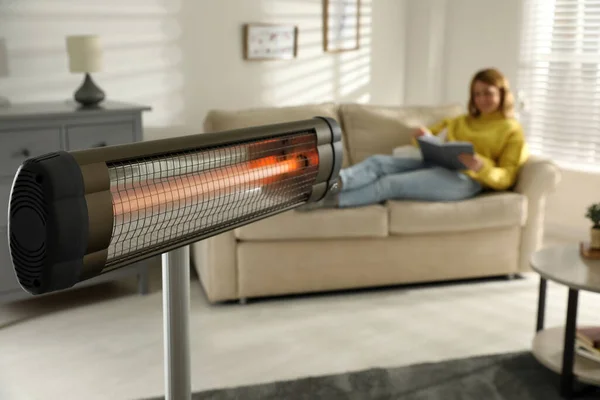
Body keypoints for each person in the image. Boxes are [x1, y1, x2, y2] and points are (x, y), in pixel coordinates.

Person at [298, 67, 529, 211]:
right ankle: (325, 186)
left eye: (488, 93)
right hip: (437, 163)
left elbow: (507, 176)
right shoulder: (461, 120)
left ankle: (328, 202)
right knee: (378, 162)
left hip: (467, 180)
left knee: (389, 184)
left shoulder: (512, 130)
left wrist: (482, 167)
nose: (481, 99)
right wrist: (424, 136)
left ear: (501, 93)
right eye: (477, 94)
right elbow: (425, 138)